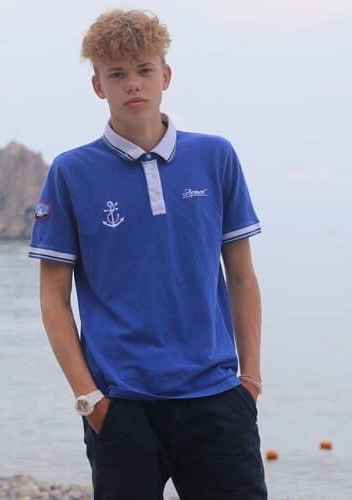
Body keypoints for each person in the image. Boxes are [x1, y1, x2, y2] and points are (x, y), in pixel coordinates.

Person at [29, 9, 267, 500]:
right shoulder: (72, 173)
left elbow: (242, 277)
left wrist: (250, 380)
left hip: (217, 399)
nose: (133, 83)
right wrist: (90, 399)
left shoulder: (215, 157)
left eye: (143, 69)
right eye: (117, 73)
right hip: (122, 408)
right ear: (98, 85)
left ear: (166, 76)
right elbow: (53, 298)